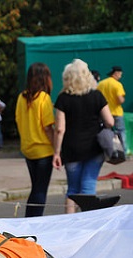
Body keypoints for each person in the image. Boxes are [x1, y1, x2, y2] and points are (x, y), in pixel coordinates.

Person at [53, 59, 114, 213]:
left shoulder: (63, 98)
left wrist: (56, 153)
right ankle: (88, 225)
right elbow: (110, 121)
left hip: (72, 149)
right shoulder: (97, 96)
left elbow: (60, 129)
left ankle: (70, 224)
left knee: (73, 189)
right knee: (88, 187)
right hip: (94, 148)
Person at [15, 62, 56, 217]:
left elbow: (18, 120)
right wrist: (58, 149)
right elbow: (47, 127)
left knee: (35, 187)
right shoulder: (44, 98)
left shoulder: (21, 97)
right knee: (40, 190)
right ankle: (34, 221)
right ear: (45, 78)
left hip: (28, 149)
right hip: (43, 150)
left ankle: (29, 219)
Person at [97, 66, 127, 154]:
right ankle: (122, 152)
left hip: (104, 113)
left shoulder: (101, 84)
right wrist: (122, 100)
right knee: (120, 132)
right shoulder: (117, 84)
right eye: (120, 74)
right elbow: (120, 99)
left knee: (107, 133)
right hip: (116, 112)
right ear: (116, 73)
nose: (120, 76)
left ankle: (109, 152)